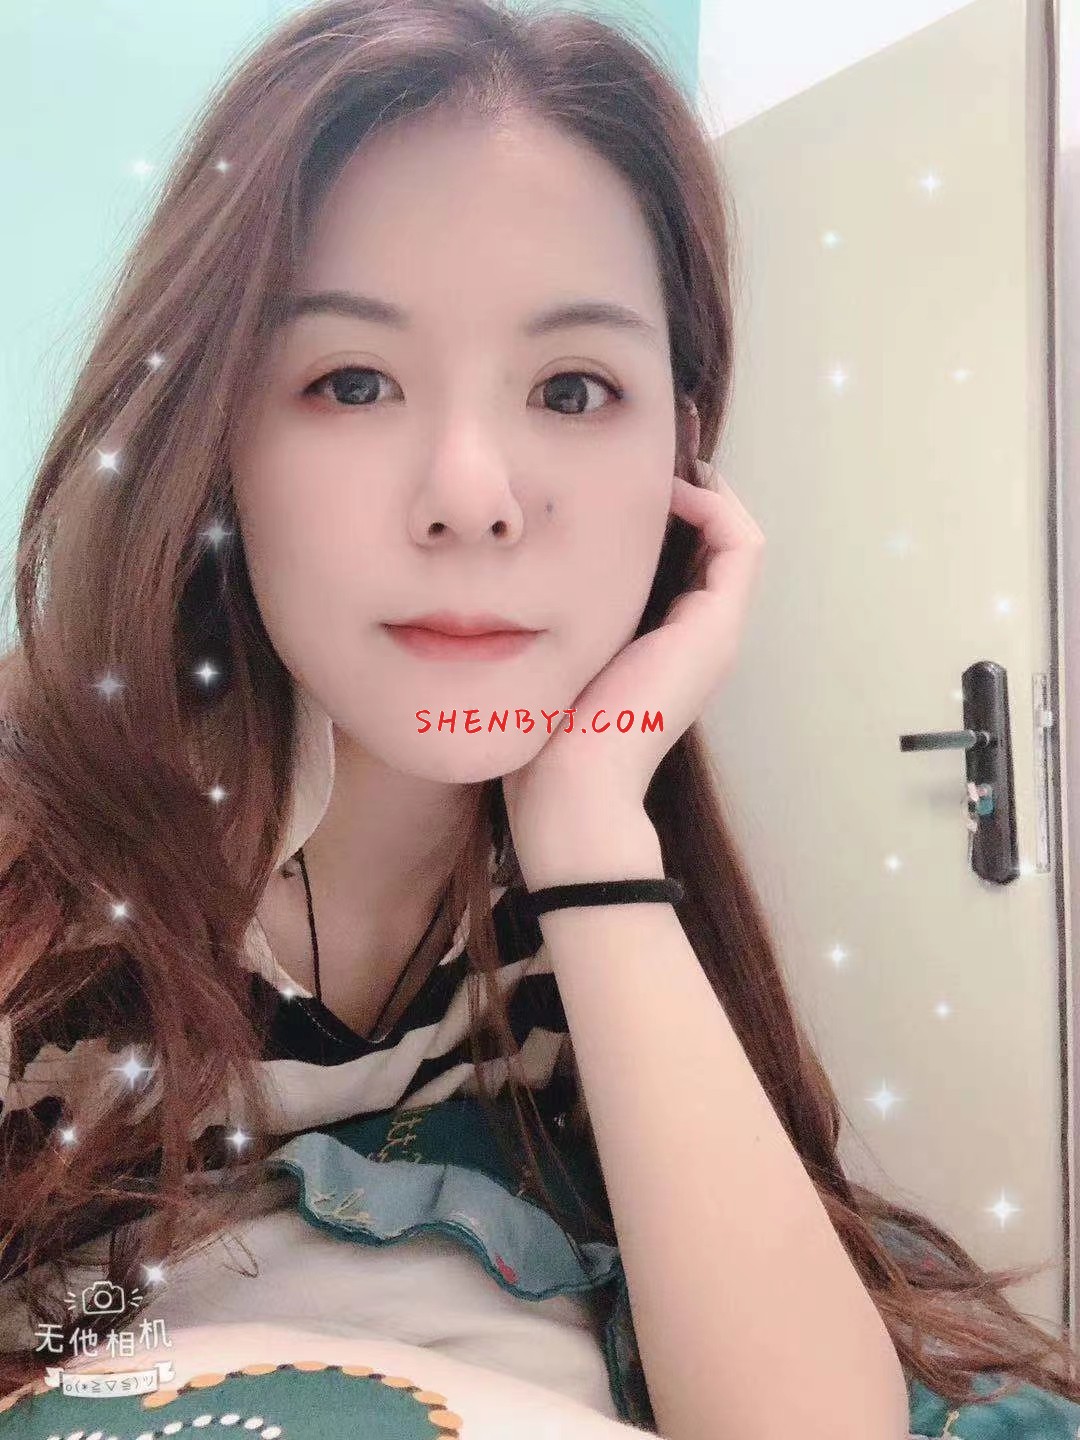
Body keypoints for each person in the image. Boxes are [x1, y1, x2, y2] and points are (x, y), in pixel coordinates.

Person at [1, 2, 1078, 1437]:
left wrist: (588, 834)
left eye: (574, 389)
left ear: (684, 456)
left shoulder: (564, 854)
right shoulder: (47, 837)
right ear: (214, 442)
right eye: (352, 382)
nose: (475, 493)